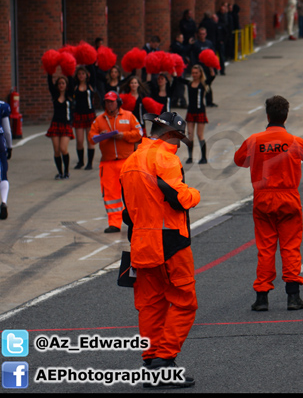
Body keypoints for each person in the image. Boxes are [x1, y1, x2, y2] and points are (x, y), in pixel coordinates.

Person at [120, 111, 199, 387]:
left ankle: (151, 363)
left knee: (150, 305)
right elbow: (179, 198)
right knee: (184, 301)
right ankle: (165, 362)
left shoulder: (130, 161)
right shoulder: (166, 158)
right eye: (178, 138)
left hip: (140, 242)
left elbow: (126, 214)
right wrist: (195, 194)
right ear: (171, 134)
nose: (179, 144)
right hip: (170, 241)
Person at [233, 95, 303, 311]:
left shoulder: (254, 140)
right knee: (290, 247)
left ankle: (262, 297)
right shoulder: (294, 141)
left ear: (267, 115)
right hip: (288, 197)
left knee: (265, 248)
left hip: (263, 198)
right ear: (286, 116)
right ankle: (293, 296)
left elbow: (239, 160)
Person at [89, 91, 143, 233]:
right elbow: (91, 138)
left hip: (127, 161)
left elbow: (139, 133)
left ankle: (136, 220)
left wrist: (123, 135)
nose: (109, 104)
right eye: (107, 101)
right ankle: (114, 223)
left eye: (112, 101)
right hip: (107, 163)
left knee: (132, 193)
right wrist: (101, 137)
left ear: (117, 102)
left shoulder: (129, 116)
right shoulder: (99, 119)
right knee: (110, 195)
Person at [46, 74, 74, 179]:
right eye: (59, 84)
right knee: (56, 150)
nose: (61, 85)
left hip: (66, 125)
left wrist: (69, 71)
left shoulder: (70, 95)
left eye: (63, 83)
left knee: (63, 148)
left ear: (66, 85)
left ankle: (66, 171)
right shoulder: (55, 95)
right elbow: (49, 83)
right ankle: (60, 172)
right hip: (55, 125)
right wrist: (50, 71)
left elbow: (71, 80)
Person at [71, 66, 97, 170]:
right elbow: (69, 78)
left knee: (90, 139)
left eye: (83, 73)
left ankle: (89, 163)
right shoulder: (75, 86)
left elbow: (94, 72)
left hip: (89, 115)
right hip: (78, 115)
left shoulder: (90, 85)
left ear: (87, 75)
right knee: (79, 140)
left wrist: (90, 62)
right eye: (79, 74)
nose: (81, 76)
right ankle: (80, 161)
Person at [185, 65, 209, 164]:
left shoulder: (203, 84)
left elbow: (213, 76)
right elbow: (178, 79)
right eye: (193, 73)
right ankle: (190, 157)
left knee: (200, 135)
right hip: (190, 112)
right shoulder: (189, 83)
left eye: (196, 73)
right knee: (190, 136)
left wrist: (211, 68)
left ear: (200, 74)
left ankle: (204, 157)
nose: (194, 75)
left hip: (200, 112)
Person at [189, 27, 217, 107]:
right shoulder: (196, 44)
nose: (202, 35)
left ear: (206, 34)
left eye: (204, 34)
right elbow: (193, 55)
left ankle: (209, 101)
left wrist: (213, 66)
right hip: (200, 67)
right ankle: (199, 101)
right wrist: (195, 66)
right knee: (200, 85)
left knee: (208, 84)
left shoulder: (209, 43)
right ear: (198, 34)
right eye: (201, 34)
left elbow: (213, 54)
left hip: (208, 67)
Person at [0, 93, 12, 220]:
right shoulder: (1, 106)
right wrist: (10, 146)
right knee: (2, 174)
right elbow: (7, 131)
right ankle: (3, 201)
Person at [169, 33, 189, 108]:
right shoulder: (175, 45)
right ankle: (182, 101)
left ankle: (175, 101)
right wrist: (189, 44)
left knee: (177, 85)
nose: (183, 39)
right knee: (180, 85)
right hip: (177, 69)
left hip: (180, 67)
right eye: (181, 38)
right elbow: (183, 50)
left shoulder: (179, 45)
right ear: (177, 38)